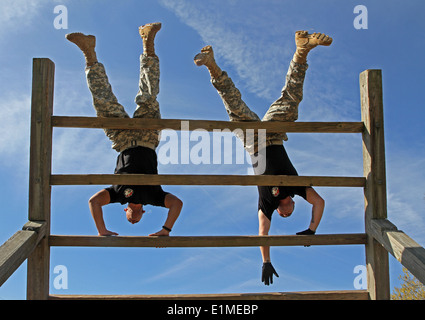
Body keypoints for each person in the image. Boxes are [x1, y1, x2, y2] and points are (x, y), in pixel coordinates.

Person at [194, 30, 331, 285]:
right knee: (290, 101)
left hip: (254, 144)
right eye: (290, 214)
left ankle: (211, 64)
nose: (286, 214)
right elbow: (320, 202)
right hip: (274, 135)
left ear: (279, 211)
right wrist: (312, 230)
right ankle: (302, 50)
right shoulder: (299, 189)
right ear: (292, 205)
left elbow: (262, 232)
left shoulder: (267, 203)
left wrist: (265, 261)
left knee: (234, 105)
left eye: (284, 216)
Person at [66, 23, 183, 237]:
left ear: (125, 210)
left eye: (129, 220)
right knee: (148, 96)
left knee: (103, 103)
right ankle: (148, 43)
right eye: (137, 220)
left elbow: (94, 202)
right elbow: (177, 204)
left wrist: (101, 231)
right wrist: (166, 230)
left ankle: (89, 54)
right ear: (142, 212)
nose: (133, 221)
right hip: (147, 139)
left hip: (122, 140)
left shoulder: (118, 194)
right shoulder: (153, 197)